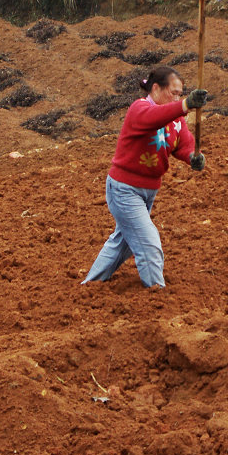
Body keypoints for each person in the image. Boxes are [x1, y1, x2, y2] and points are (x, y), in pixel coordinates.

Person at [82, 65, 208, 289]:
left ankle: (91, 285)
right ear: (156, 88)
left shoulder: (176, 119)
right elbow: (153, 119)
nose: (178, 98)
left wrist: (193, 157)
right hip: (124, 189)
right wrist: (185, 105)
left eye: (181, 94)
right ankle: (156, 292)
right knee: (148, 242)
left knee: (123, 242)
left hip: (148, 190)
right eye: (174, 93)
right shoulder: (139, 109)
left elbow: (183, 143)